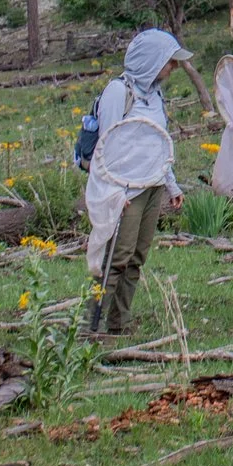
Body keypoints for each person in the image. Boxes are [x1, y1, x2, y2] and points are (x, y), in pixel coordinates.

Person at [88, 28, 186, 337]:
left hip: (152, 186)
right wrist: (113, 192)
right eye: (169, 62)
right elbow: (107, 145)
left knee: (137, 257)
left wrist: (171, 185)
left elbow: (158, 143)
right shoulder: (118, 92)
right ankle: (93, 323)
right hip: (125, 188)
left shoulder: (155, 94)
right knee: (117, 256)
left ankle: (120, 323)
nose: (173, 68)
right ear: (152, 60)